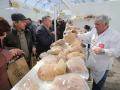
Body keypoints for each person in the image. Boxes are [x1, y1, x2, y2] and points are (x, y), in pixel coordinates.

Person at [77, 15, 120, 90]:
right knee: (90, 83)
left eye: (98, 24)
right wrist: (76, 35)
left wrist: (103, 51)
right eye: (95, 24)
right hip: (92, 62)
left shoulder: (115, 35)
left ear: (106, 24)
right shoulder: (94, 30)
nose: (95, 26)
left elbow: (117, 52)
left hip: (102, 67)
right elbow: (86, 36)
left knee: (97, 86)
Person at [0, 17, 23, 90]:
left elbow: (3, 49)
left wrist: (12, 51)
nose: (5, 35)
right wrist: (9, 54)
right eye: (3, 33)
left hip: (5, 78)